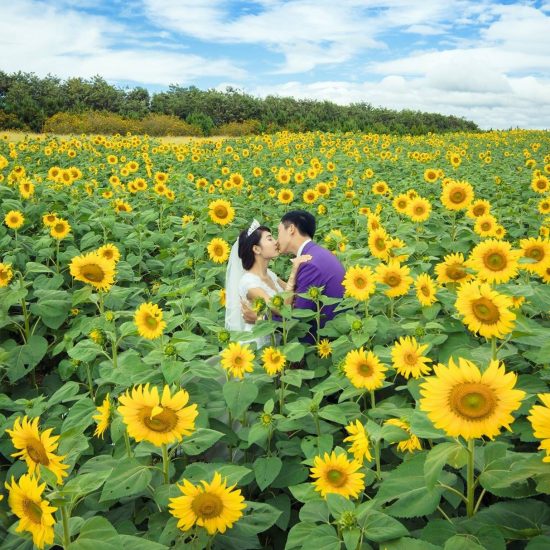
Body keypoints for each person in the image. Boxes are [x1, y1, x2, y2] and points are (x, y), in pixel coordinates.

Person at [243, 210, 346, 343]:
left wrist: (259, 319)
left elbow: (297, 318)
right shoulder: (317, 254)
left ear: (291, 229)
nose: (276, 241)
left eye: (278, 232)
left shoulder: (309, 263)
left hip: (321, 342)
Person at [225, 219, 311, 349]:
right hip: (257, 346)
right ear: (256, 249)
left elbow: (294, 294)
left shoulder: (270, 274)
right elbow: (282, 310)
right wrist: (294, 270)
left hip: (275, 340)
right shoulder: (249, 283)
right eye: (270, 239)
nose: (276, 242)